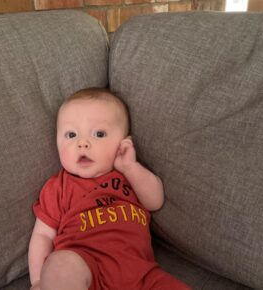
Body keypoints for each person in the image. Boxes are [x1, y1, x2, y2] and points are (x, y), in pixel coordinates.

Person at [28, 88, 191, 290]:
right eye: (71, 134)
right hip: (86, 270)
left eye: (99, 134)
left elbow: (155, 201)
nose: (83, 143)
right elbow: (43, 235)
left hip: (142, 274)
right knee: (60, 265)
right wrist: (37, 281)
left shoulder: (129, 175)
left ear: (124, 142)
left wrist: (131, 167)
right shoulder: (59, 187)